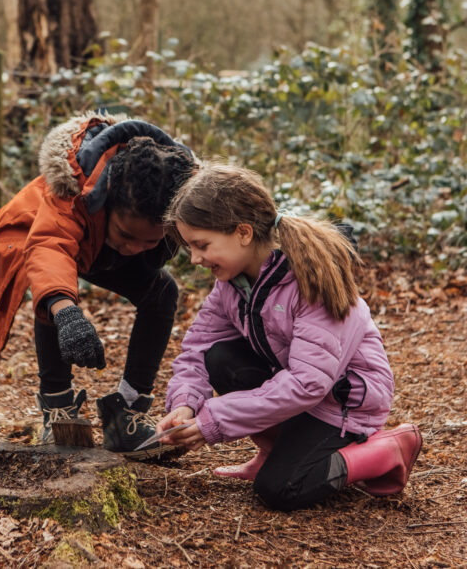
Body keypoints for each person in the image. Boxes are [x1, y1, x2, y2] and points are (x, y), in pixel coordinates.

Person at [155, 164, 422, 510]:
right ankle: (274, 451)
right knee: (219, 357)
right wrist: (185, 403)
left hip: (340, 405)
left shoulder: (311, 282)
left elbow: (309, 383)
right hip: (301, 397)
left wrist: (213, 420)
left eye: (201, 244)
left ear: (244, 233)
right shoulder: (231, 287)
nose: (194, 258)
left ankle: (385, 450)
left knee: (280, 490)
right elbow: (198, 349)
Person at [0, 112, 196, 458]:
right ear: (107, 200)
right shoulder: (73, 186)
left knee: (162, 292)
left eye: (149, 242)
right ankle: (58, 409)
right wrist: (66, 314)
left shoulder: (179, 197)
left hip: (97, 247)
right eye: (127, 235)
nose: (134, 248)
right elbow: (49, 248)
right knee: (55, 297)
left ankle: (126, 413)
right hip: (31, 234)